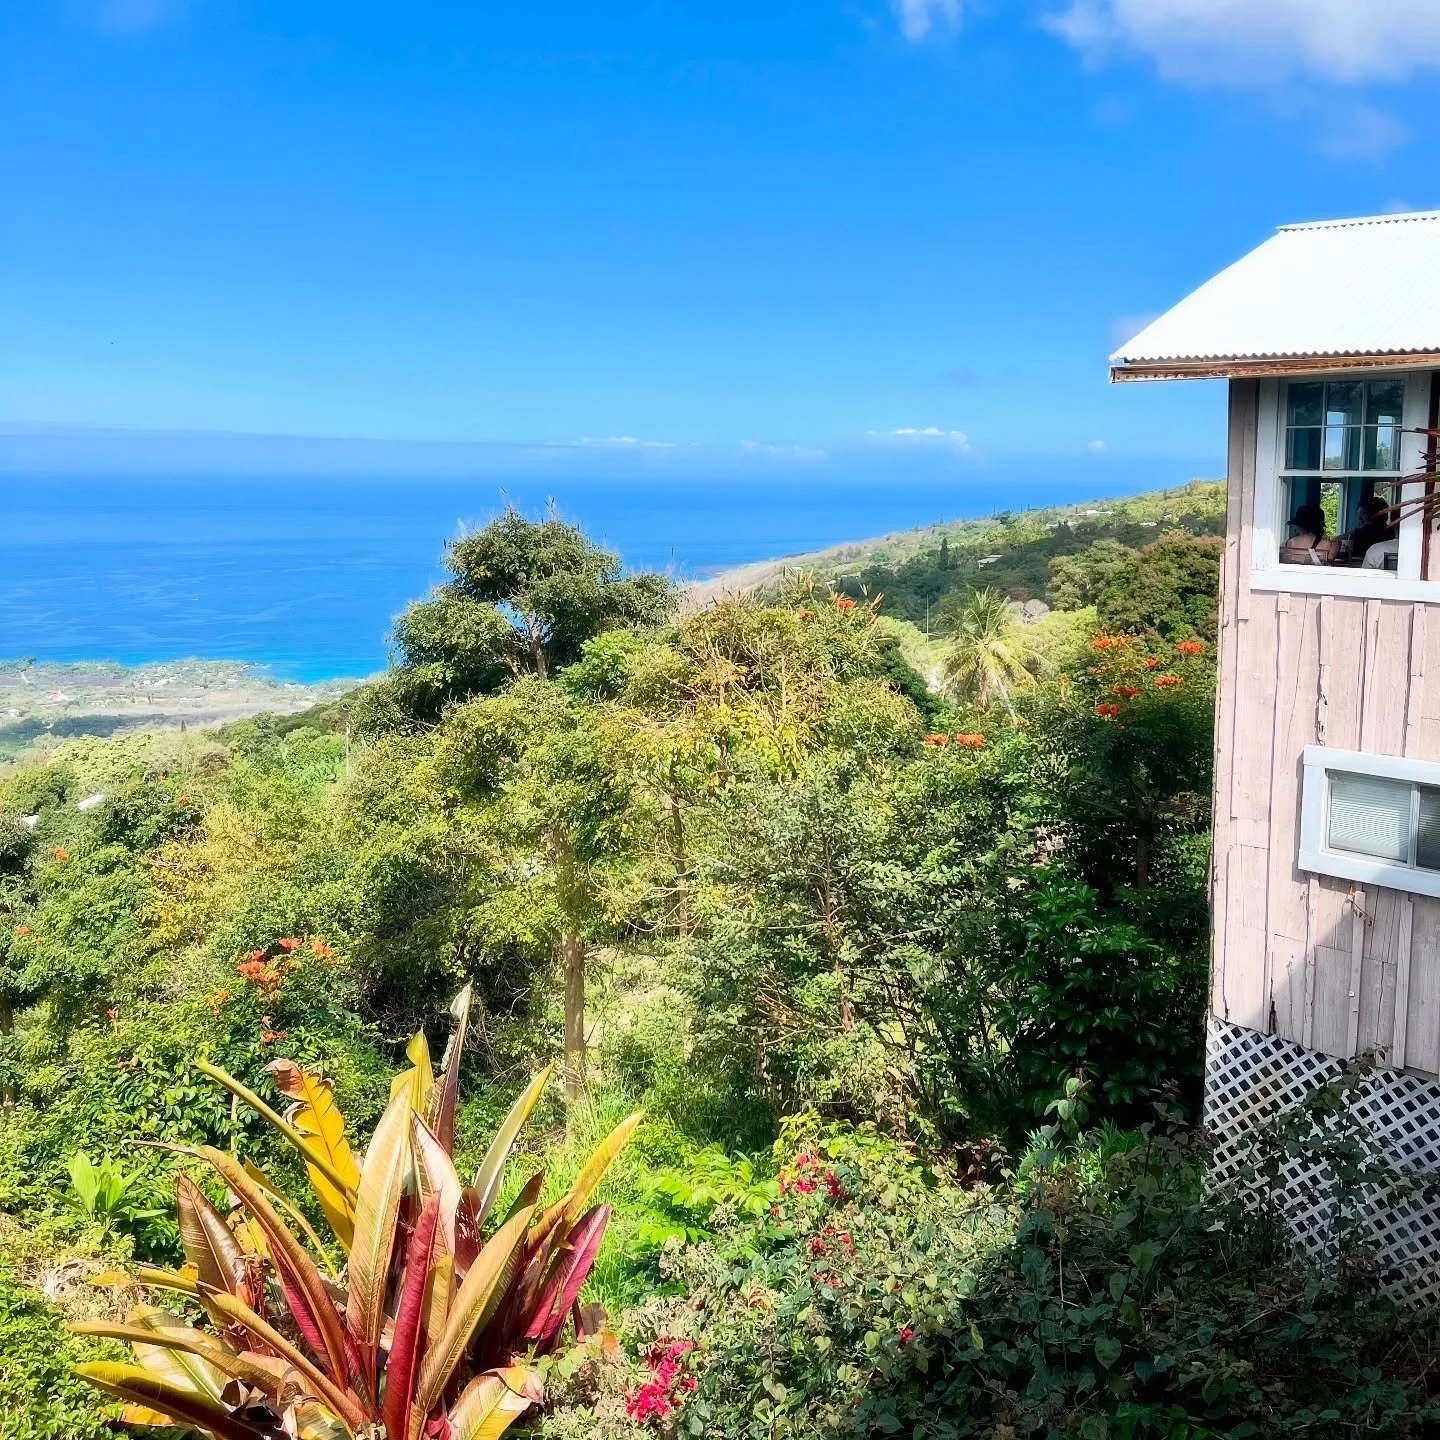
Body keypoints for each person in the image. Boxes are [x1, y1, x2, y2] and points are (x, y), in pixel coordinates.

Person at [1350, 493, 1399, 569]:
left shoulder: (1393, 536)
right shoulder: (1354, 534)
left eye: (1364, 514)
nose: (1359, 518)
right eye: (1359, 514)